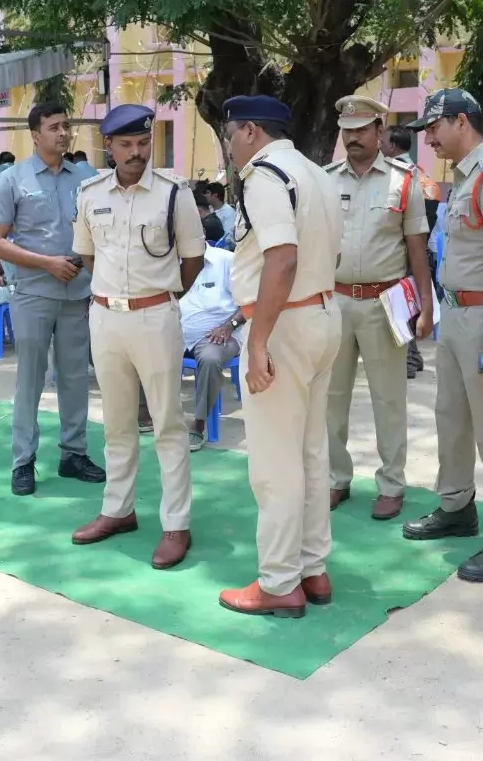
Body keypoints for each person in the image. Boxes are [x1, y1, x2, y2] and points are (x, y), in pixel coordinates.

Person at [214, 95, 342, 618]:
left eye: (229, 135)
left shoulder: (266, 176)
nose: (229, 147)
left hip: (284, 322)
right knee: (310, 452)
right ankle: (311, 569)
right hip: (321, 314)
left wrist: (258, 340)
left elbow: (282, 259)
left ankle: (279, 581)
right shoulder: (316, 173)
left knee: (275, 461)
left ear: (249, 131)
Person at [404, 88, 483, 583]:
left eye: (434, 128)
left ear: (461, 122)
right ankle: (456, 506)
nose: (429, 139)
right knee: (451, 418)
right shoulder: (465, 178)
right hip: (458, 314)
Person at [70, 104, 206, 568]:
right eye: (126, 144)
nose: (136, 152)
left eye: (143, 143)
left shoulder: (173, 194)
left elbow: (193, 260)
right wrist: (114, 295)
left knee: (167, 423)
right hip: (106, 317)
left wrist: (159, 295)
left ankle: (176, 523)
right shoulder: (89, 193)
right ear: (108, 146)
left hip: (155, 316)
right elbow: (88, 255)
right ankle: (117, 510)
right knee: (116, 422)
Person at [0, 101, 105, 495]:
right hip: (33, 293)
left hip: (77, 293)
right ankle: (23, 461)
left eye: (66, 126)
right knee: (30, 379)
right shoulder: (13, 179)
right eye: (54, 127)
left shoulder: (86, 177)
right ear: (35, 134)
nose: (63, 133)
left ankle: (74, 454)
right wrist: (46, 263)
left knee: (75, 377)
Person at [323, 96, 432, 521]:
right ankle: (335, 478)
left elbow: (417, 249)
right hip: (335, 301)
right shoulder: (326, 180)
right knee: (330, 398)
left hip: (385, 303)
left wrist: (425, 307)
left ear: (379, 131)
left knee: (389, 399)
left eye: (361, 130)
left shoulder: (404, 182)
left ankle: (391, 484)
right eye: (346, 131)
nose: (352, 138)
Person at [179, 238, 241, 451]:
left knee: (209, 358)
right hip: (177, 334)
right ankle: (146, 413)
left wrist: (229, 326)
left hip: (219, 335)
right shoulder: (169, 262)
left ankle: (199, 423)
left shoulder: (226, 260)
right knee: (142, 344)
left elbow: (251, 300)